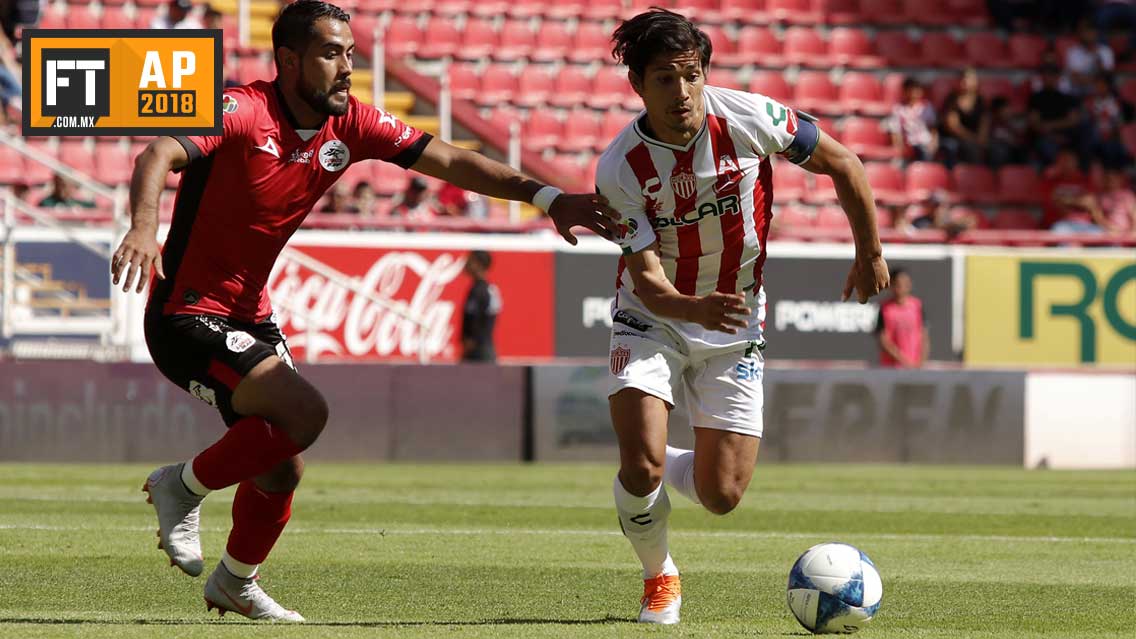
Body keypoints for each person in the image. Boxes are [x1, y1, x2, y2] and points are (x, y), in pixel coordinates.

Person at [110, 0, 618, 622]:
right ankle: (181, 486)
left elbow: (453, 160)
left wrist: (544, 196)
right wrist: (142, 228)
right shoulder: (244, 109)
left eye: (350, 53)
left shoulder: (351, 124)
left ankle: (235, 582)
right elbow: (156, 154)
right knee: (307, 412)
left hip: (251, 314)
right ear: (290, 59)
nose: (347, 68)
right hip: (187, 313)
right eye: (331, 54)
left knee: (282, 469)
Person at [595, 9, 888, 625]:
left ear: (705, 74)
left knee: (721, 495)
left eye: (691, 75)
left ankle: (654, 460)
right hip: (651, 317)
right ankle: (659, 577)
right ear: (638, 87)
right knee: (640, 464)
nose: (682, 93)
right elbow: (647, 280)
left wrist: (869, 252)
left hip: (736, 321)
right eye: (665, 80)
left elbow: (846, 164)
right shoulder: (619, 167)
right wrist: (689, 306)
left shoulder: (752, 118)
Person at [1028, 64, 1083, 167]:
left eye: (1052, 76)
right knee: (1046, 147)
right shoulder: (1036, 98)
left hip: (1066, 137)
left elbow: (1073, 120)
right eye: (1046, 76)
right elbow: (1034, 123)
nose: (1049, 79)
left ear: (1058, 78)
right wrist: (1052, 136)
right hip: (1046, 138)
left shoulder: (1067, 98)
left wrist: (1051, 125)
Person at [1041, 148, 1107, 233]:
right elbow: (1051, 201)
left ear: (1076, 162)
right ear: (1057, 162)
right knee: (1059, 232)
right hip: (1061, 224)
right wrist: (1078, 201)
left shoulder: (1085, 180)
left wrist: (1065, 201)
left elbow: (1089, 202)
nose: (1066, 163)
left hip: (1085, 225)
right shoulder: (1050, 182)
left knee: (1106, 238)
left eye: (1069, 160)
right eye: (1063, 160)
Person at [874, 268, 928, 369]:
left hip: (916, 367)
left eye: (905, 283)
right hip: (891, 368)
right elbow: (883, 341)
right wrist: (904, 361)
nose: (902, 287)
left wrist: (921, 362)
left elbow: (924, 336)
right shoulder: (885, 308)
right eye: (898, 284)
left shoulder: (917, 306)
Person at [939, 68, 988, 167]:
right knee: (970, 148)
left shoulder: (980, 101)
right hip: (955, 138)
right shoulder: (952, 99)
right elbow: (953, 127)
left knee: (996, 150)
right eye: (963, 78)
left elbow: (985, 123)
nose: (965, 81)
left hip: (974, 139)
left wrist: (981, 138)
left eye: (969, 79)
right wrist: (972, 138)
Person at [460, 250, 500, 362]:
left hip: (478, 354)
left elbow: (477, 324)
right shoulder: (488, 289)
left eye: (470, 260)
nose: (466, 264)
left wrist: (469, 345)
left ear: (478, 264)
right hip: (485, 350)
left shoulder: (479, 291)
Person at [888, 76, 937, 163]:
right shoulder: (898, 109)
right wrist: (900, 149)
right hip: (911, 144)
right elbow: (896, 132)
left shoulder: (927, 107)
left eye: (916, 90)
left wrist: (933, 143)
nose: (914, 93)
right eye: (911, 90)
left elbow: (933, 128)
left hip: (926, 142)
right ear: (905, 91)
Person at [1064, 19, 1114, 96]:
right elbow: (1075, 79)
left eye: (1091, 31)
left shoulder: (1105, 51)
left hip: (1099, 95)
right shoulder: (1073, 52)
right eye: (1085, 31)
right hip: (1078, 95)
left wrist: (1098, 63)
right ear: (1080, 33)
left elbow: (1108, 78)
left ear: (1096, 33)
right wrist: (1097, 79)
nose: (1088, 34)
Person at [1098, 166, 1136, 236]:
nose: (1111, 181)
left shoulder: (1127, 195)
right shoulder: (1103, 196)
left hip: (1126, 234)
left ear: (1120, 179)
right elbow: (1100, 218)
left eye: (1114, 178)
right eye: (1108, 178)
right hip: (1108, 233)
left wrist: (1133, 232)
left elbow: (1134, 214)